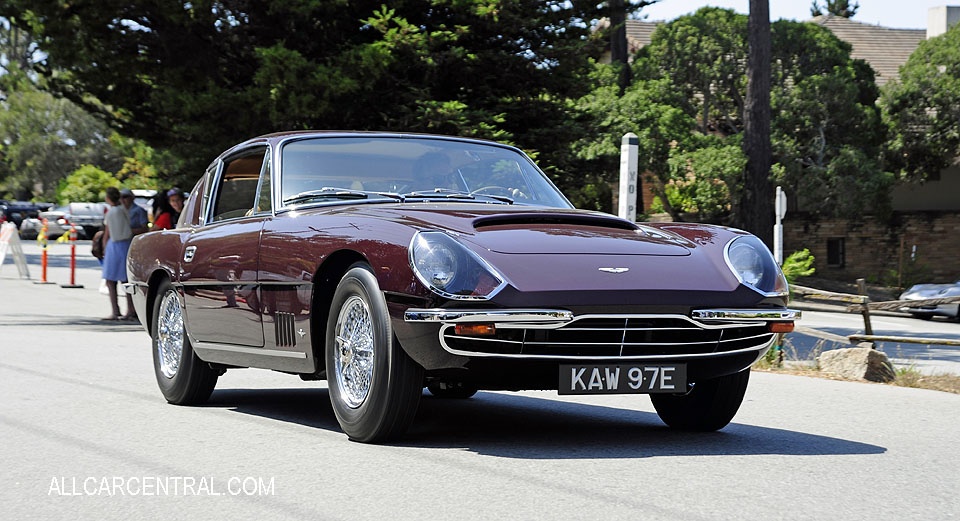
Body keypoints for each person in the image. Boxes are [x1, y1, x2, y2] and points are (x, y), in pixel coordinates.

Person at [102, 187, 135, 321]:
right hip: (126, 244)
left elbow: (107, 232)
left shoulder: (110, 213)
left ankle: (115, 311)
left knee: (110, 280)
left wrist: (104, 247)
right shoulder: (124, 210)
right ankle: (130, 310)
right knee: (126, 279)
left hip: (114, 245)